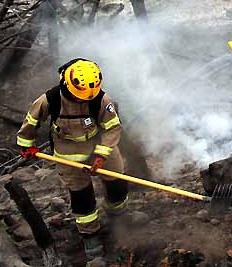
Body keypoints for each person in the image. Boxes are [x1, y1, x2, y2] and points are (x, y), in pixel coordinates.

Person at [16, 59, 140, 258]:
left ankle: (119, 215)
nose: (83, 101)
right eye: (80, 97)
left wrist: (101, 155)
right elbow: (31, 122)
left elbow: (112, 128)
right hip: (68, 154)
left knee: (117, 182)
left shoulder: (101, 100)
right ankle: (90, 235)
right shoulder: (50, 100)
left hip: (99, 147)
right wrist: (26, 145)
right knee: (82, 196)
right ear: (67, 84)